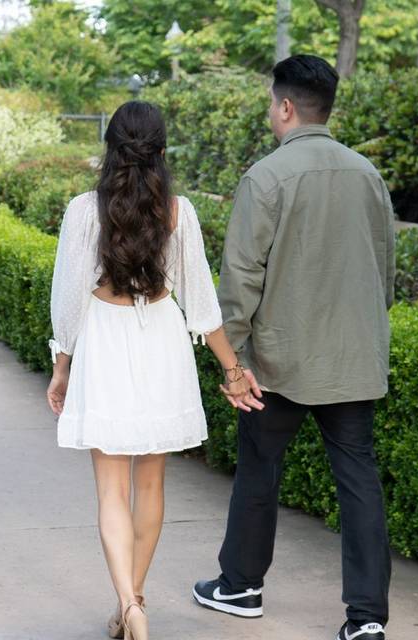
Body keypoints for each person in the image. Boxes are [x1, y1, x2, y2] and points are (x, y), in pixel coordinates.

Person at [190, 54, 396, 640]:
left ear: (284, 106)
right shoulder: (367, 175)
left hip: (277, 363)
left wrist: (234, 362)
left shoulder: (267, 176)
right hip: (353, 361)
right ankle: (366, 621)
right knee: (359, 481)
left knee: (260, 468)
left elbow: (240, 279)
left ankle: (240, 587)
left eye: (269, 103)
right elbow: (385, 268)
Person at [45, 101, 264, 640]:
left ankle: (129, 606)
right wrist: (233, 369)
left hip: (105, 341)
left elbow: (69, 303)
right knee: (152, 484)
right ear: (162, 150)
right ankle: (135, 598)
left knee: (111, 491)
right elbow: (202, 302)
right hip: (161, 340)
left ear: (110, 148)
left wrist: (62, 365)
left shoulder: (83, 210)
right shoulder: (177, 210)